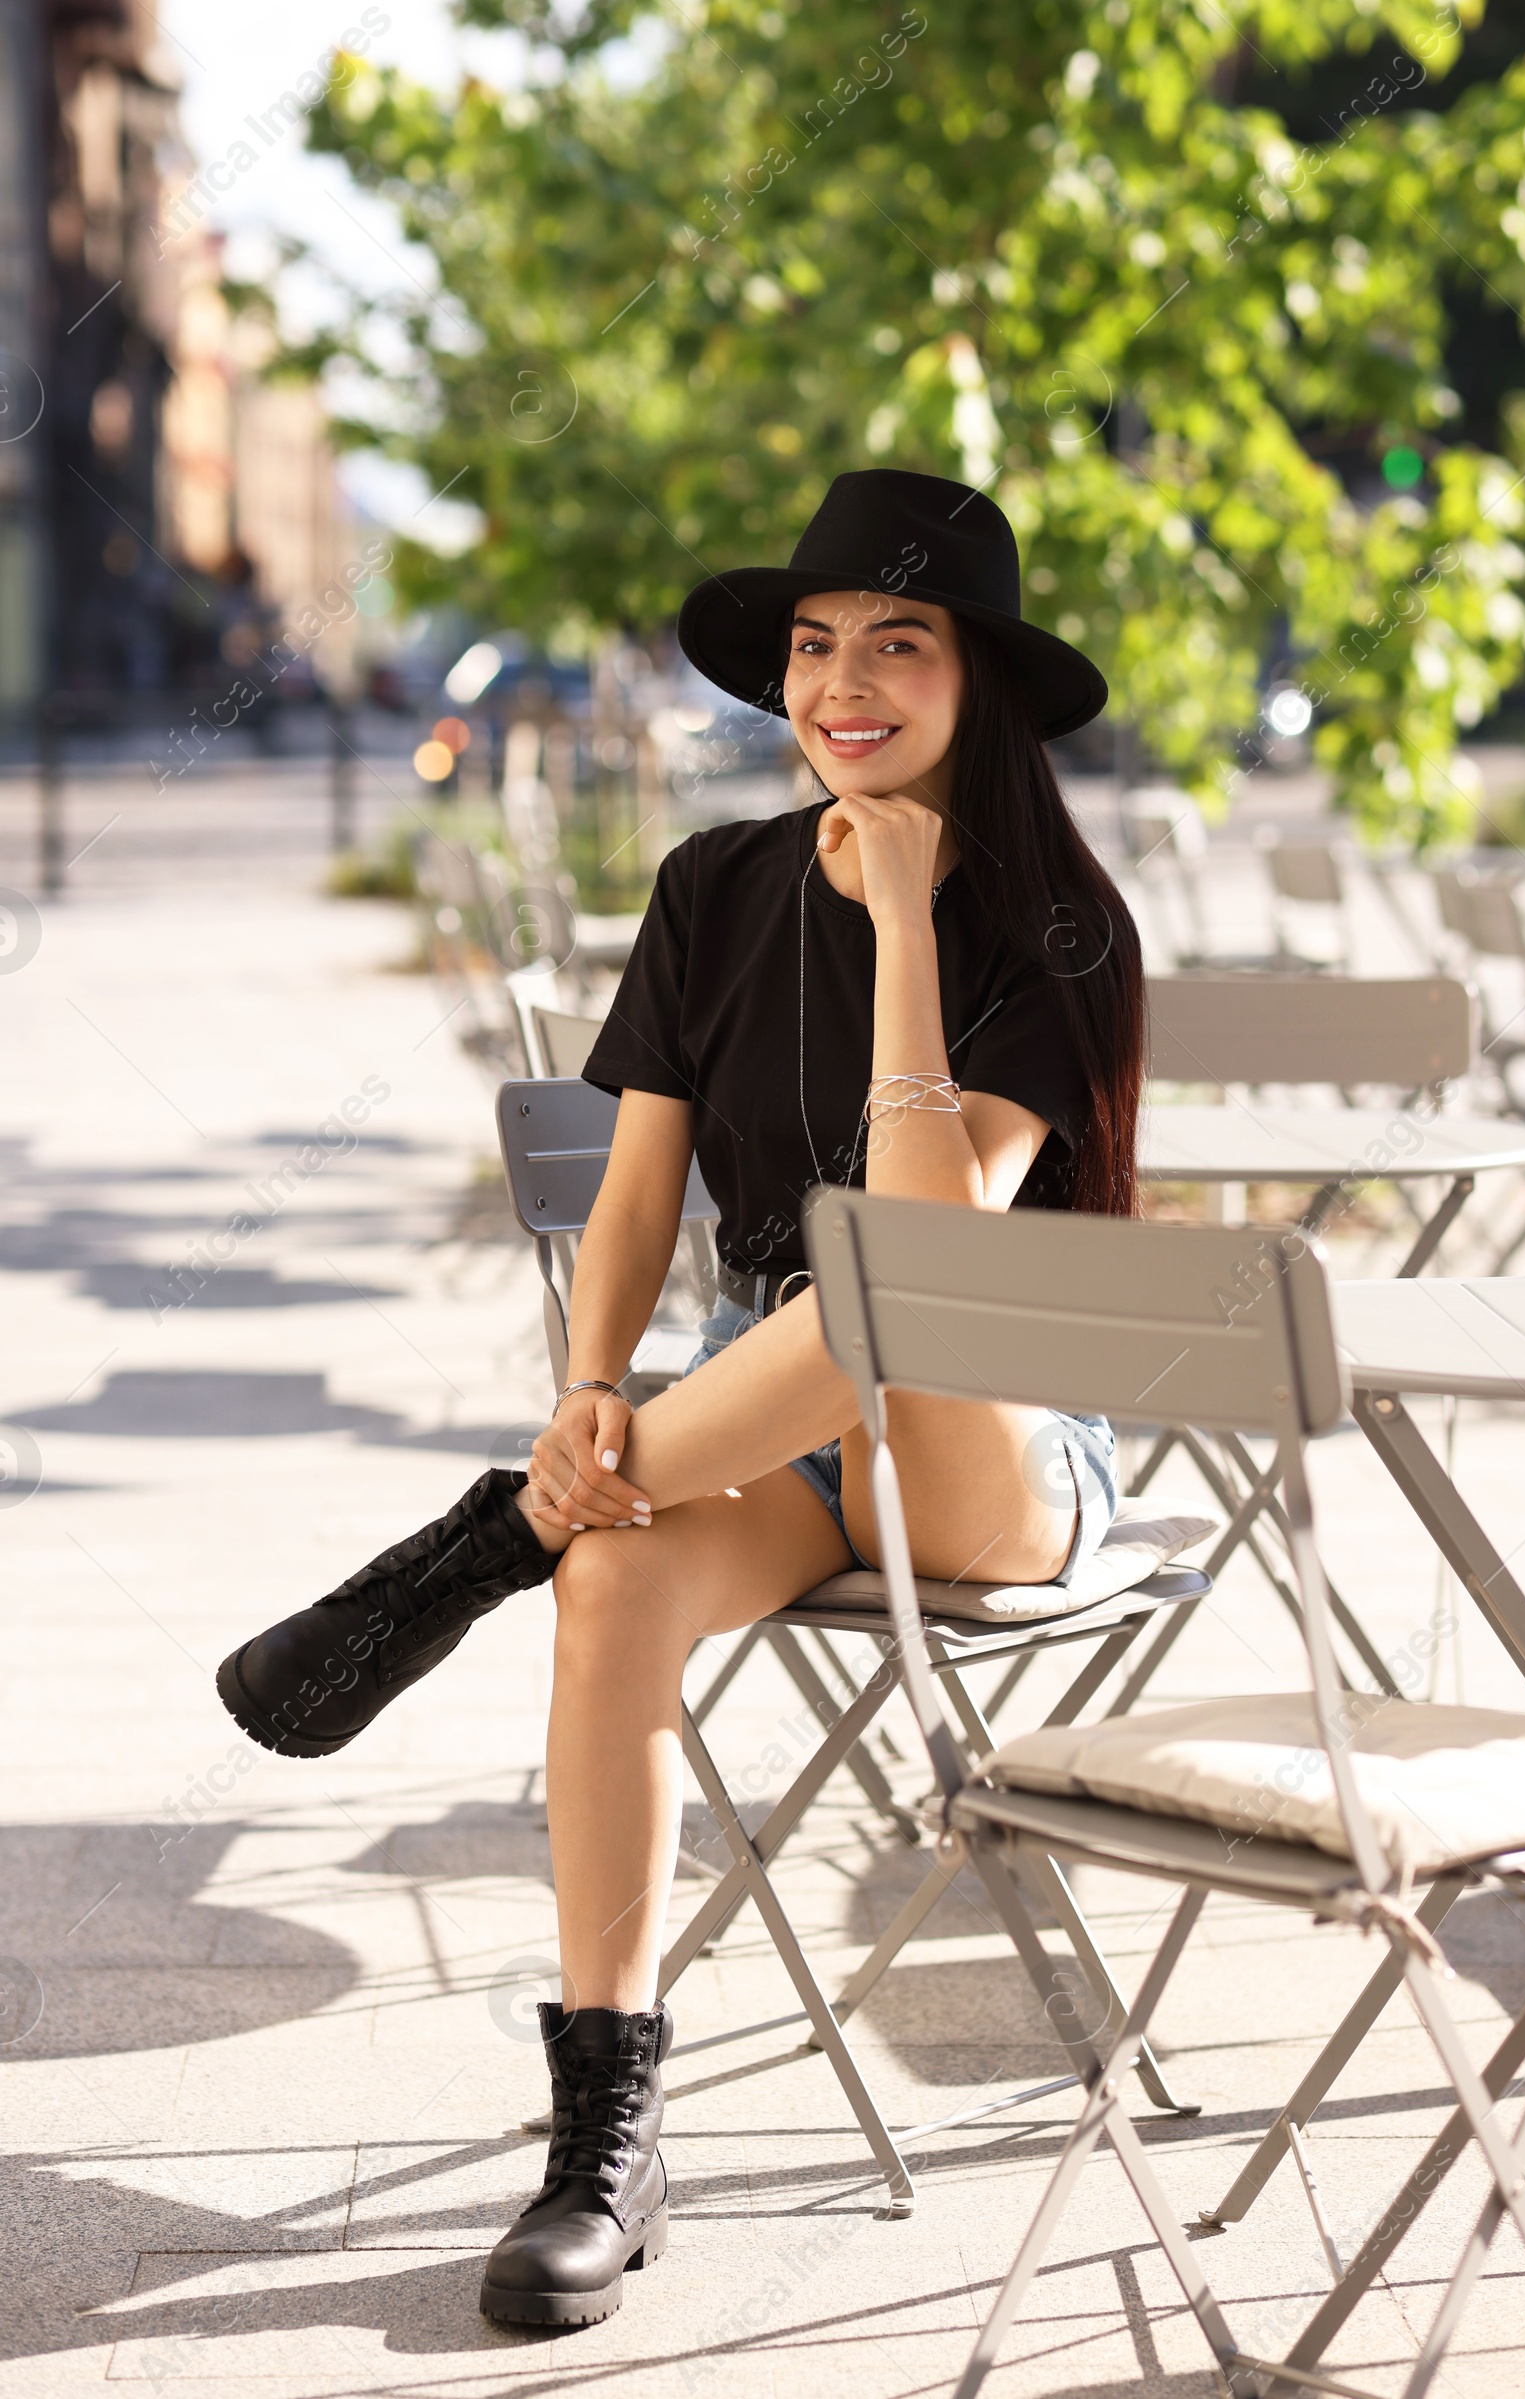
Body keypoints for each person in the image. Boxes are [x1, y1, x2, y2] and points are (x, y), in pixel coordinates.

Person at [215, 467, 1144, 2329]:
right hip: (765, 1418)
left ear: (983, 686)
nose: (840, 687)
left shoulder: (1064, 932)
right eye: (813, 650)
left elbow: (922, 1241)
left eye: (897, 646)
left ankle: (487, 1541)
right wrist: (582, 1384)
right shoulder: (710, 885)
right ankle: (606, 2139)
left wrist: (893, 916)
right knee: (621, 1579)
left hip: (1000, 1430)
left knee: (891, 1302)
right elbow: (638, 1190)